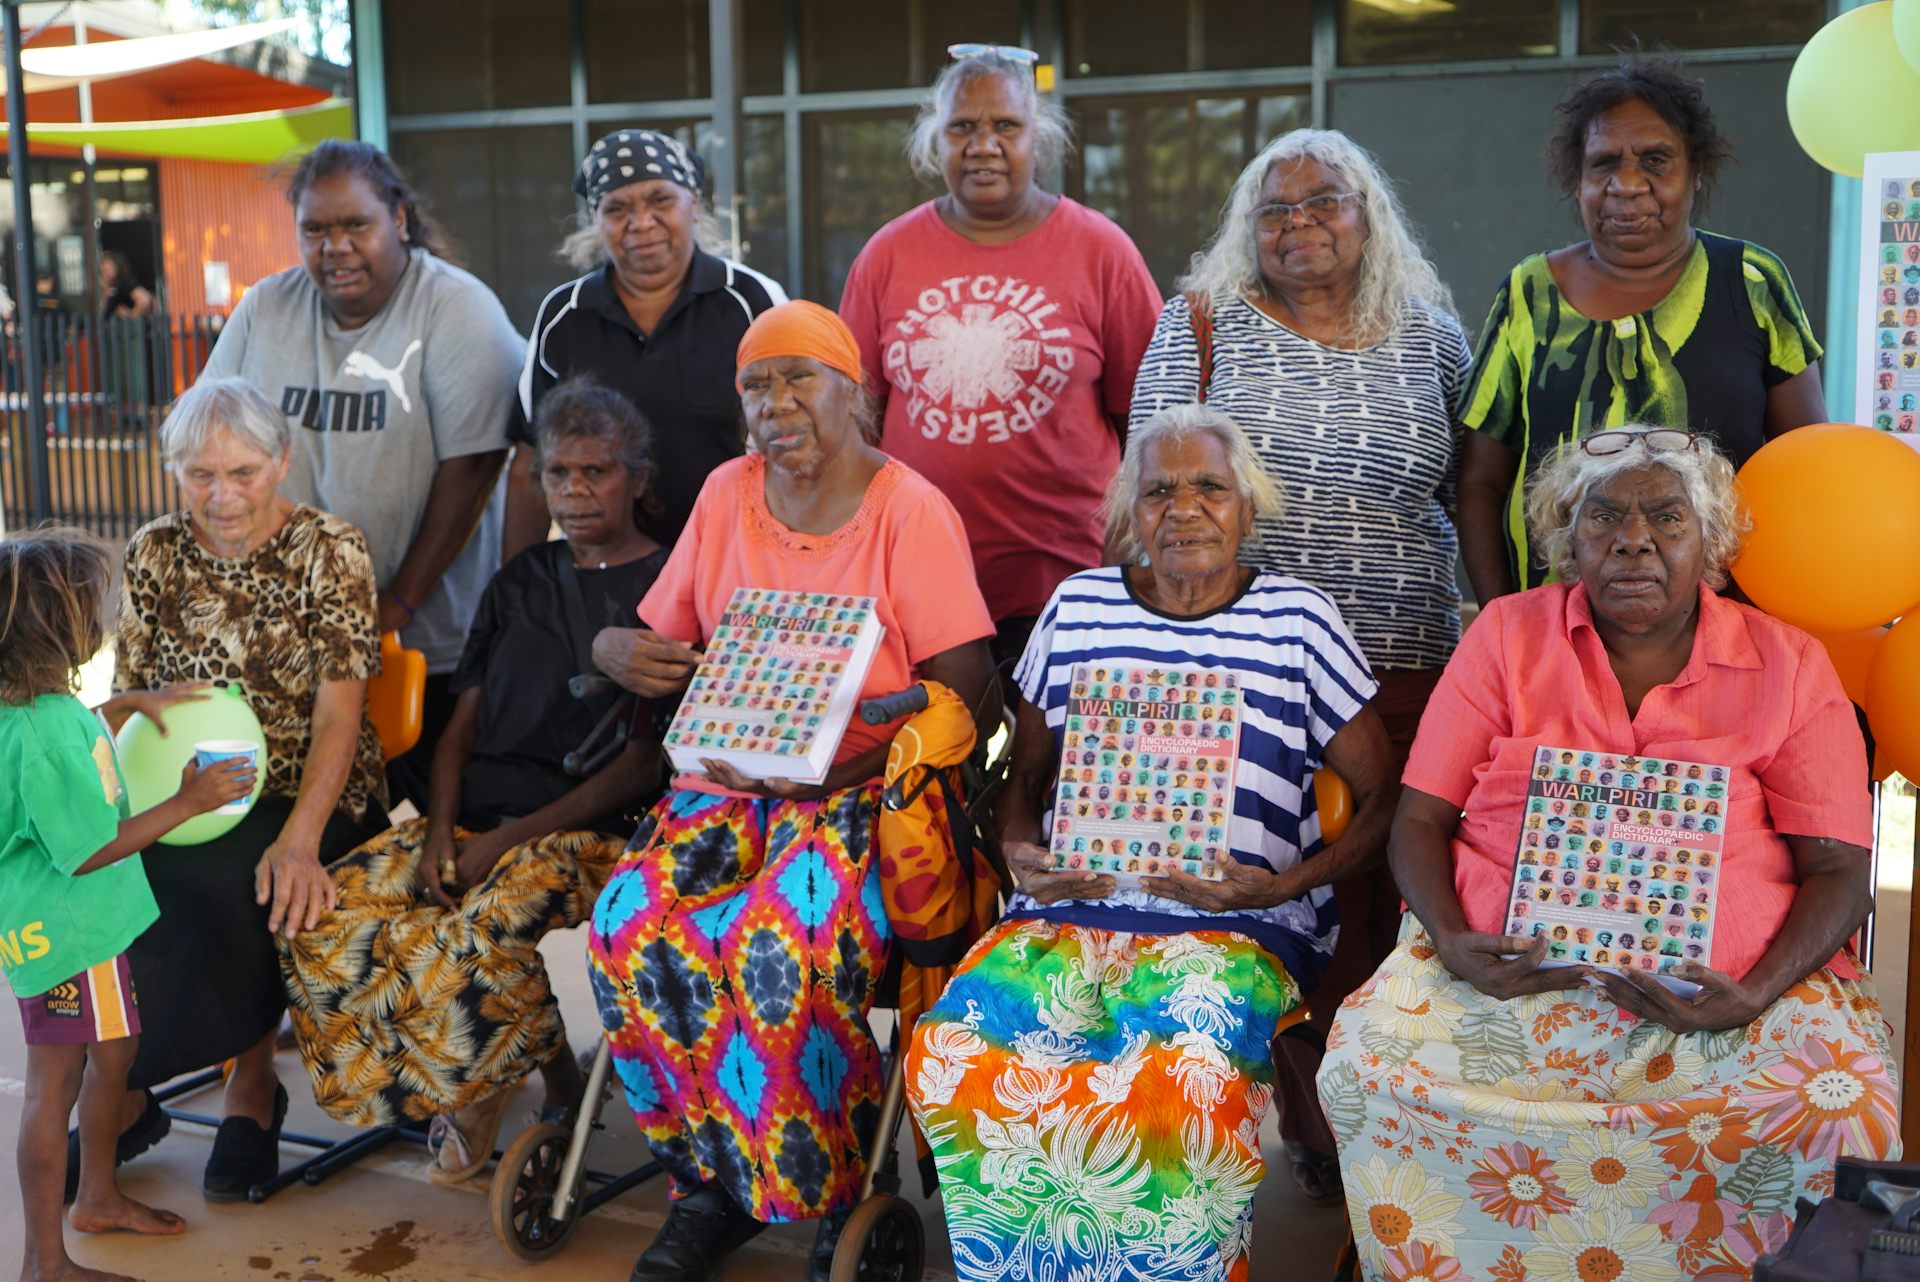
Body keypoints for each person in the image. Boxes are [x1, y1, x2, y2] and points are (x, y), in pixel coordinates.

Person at [1321, 428, 1897, 1281]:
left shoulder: (1788, 662)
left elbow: (1842, 868)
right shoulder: (1507, 636)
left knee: (1838, 1100)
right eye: (1605, 518)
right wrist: (1448, 940)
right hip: (1504, 976)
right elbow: (1419, 818)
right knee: (1367, 1067)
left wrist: (1755, 995)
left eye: (1667, 517)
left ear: (1711, 544)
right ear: (1568, 538)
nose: (1634, 539)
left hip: (1730, 992)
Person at [906, 404, 1396, 1282]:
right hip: (1070, 909)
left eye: (1209, 487)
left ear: (1247, 506)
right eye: (1159, 490)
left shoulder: (1298, 620)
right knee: (959, 1056)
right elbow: (1022, 781)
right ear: (1129, 509)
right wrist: (1022, 849)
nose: (1184, 509)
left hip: (1234, 923)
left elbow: (1382, 799)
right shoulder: (1079, 606)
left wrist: (1280, 889)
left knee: (1177, 1079)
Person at [585, 300, 997, 1282]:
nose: (775, 403)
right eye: (756, 385)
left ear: (852, 391)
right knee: (626, 926)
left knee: (779, 938)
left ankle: (832, 1181)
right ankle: (708, 1184)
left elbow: (968, 681)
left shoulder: (909, 509)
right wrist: (615, 649)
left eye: (797, 378)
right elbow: (657, 633)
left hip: (860, 796)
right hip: (722, 784)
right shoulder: (729, 493)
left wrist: (866, 749)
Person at [1130, 128, 1468, 1198]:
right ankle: (1321, 1131)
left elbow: (1469, 492)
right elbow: (1147, 495)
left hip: (1407, 656)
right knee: (1273, 896)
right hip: (1253, 668)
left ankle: (1396, 1112)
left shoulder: (1434, 338)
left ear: (1370, 219)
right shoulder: (1197, 327)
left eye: (1327, 202)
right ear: (1246, 224)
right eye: (1276, 209)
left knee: (1390, 894)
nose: (1301, 224)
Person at [280, 377, 667, 1183]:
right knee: (324, 913)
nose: (576, 490)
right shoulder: (518, 580)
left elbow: (638, 764)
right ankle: (469, 1075)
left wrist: (498, 842)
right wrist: (438, 834)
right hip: (471, 820)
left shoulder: (672, 585)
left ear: (637, 478)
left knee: (477, 935)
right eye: (559, 473)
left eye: (597, 471)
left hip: (595, 833)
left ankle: (500, 1084)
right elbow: (458, 732)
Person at [105, 378, 388, 1202]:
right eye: (200, 475)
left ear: (282, 461)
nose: (221, 497)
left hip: (307, 787)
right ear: (172, 471)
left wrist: (300, 838)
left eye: (243, 472)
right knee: (125, 871)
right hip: (188, 790)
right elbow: (128, 698)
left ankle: (252, 1086)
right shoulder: (155, 548)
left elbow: (342, 716)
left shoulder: (332, 549)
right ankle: (127, 1090)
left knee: (243, 877)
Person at [200, 139, 524, 809]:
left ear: (398, 220)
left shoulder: (456, 310)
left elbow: (473, 471)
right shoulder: (266, 308)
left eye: (355, 225)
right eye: (315, 229)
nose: (334, 246)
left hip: (426, 645)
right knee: (307, 827)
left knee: (434, 826)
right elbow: (209, 434)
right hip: (288, 638)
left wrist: (390, 608)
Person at [1458, 59, 1826, 602]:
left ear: (1694, 172)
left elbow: (1808, 473)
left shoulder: (1752, 282)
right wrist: (1498, 621)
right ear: (1577, 181)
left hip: (1726, 630)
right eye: (1604, 163)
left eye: (1655, 160)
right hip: (1554, 635)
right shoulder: (1528, 295)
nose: (1627, 185)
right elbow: (1481, 482)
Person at [839, 46, 1162, 664]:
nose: (982, 144)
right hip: (914, 577)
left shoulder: (1102, 252)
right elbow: (856, 416)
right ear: (936, 140)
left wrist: (1126, 562)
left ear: (1037, 138)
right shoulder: (886, 255)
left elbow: (1148, 424)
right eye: (962, 126)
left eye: (1005, 126)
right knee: (932, 752)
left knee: (1049, 759)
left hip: (1064, 584)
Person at [3, 531, 254, 1282]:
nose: (102, 615)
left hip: (76, 930)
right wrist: (188, 801)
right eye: (90, 605)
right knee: (56, 1083)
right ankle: (47, 1261)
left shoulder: (36, 707)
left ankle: (98, 1196)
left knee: (112, 1057)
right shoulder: (43, 729)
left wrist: (123, 706)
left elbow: (68, 758)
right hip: (73, 934)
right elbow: (85, 848)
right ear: (58, 626)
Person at [503, 129, 787, 561]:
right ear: (596, 222)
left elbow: (799, 443)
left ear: (694, 204)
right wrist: (516, 589)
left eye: (660, 201)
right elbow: (530, 463)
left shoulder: (753, 301)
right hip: (606, 574)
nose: (641, 223)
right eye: (616, 208)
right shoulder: (564, 314)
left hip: (736, 563)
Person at [98, 252, 154, 319]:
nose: (104, 273)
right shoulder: (111, 287)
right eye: (102, 271)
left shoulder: (125, 283)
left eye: (106, 269)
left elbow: (145, 300)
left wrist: (131, 317)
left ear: (117, 266)